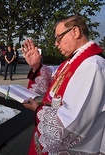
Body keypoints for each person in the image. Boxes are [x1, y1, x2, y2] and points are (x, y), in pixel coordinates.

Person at [22, 15, 105, 155]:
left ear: (75, 32)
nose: (56, 44)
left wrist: (38, 110)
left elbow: (73, 120)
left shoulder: (91, 65)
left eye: (59, 38)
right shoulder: (72, 61)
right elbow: (53, 76)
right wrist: (36, 66)